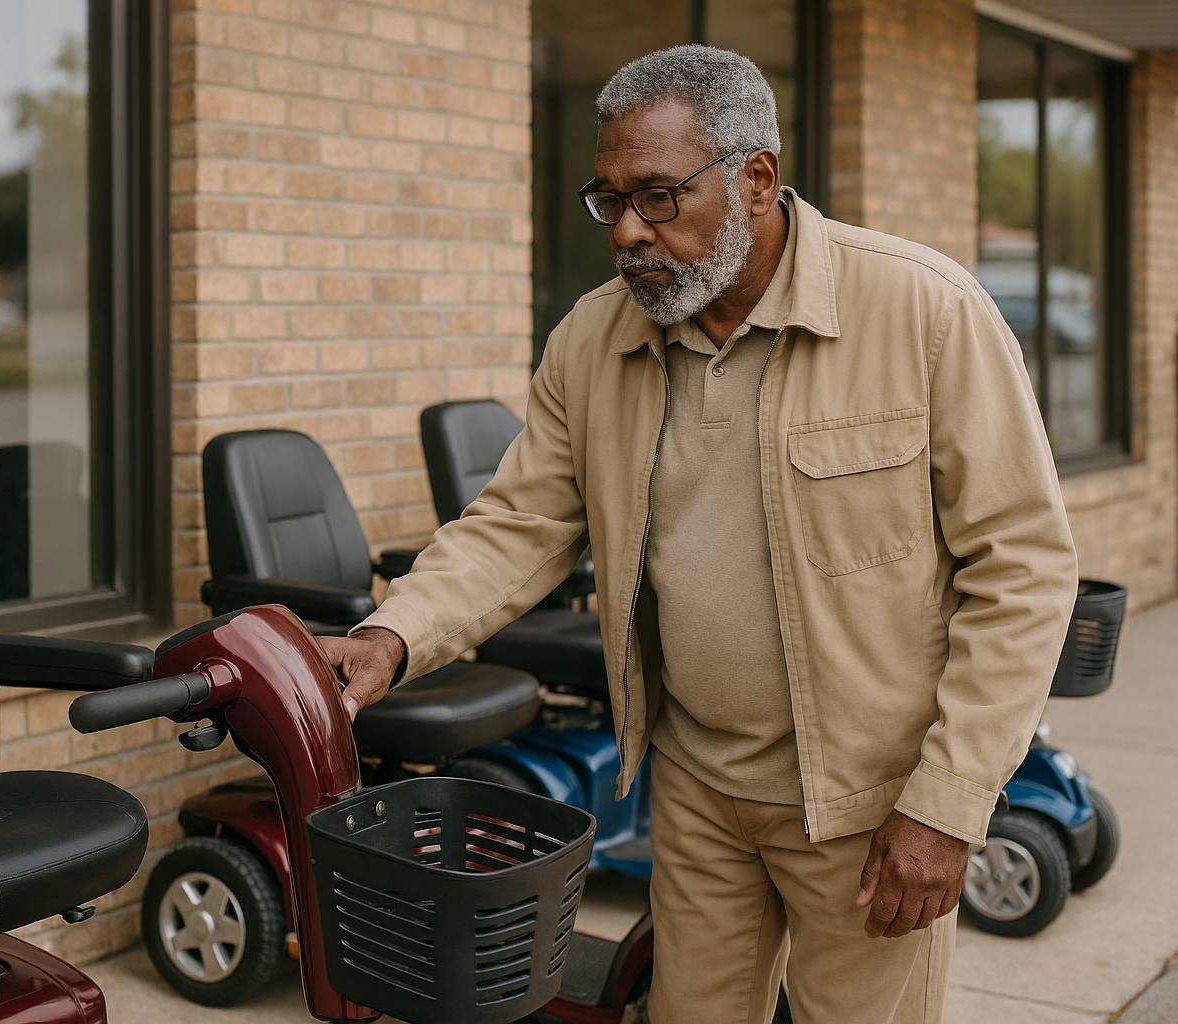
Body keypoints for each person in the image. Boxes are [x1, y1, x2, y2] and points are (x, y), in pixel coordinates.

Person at [318, 44, 1078, 1024]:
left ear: (756, 178)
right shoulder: (595, 341)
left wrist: (948, 798)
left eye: (658, 196)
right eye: (608, 200)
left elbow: (1021, 564)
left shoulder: (923, 312)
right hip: (697, 786)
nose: (628, 230)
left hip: (871, 802)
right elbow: (519, 522)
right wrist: (396, 633)